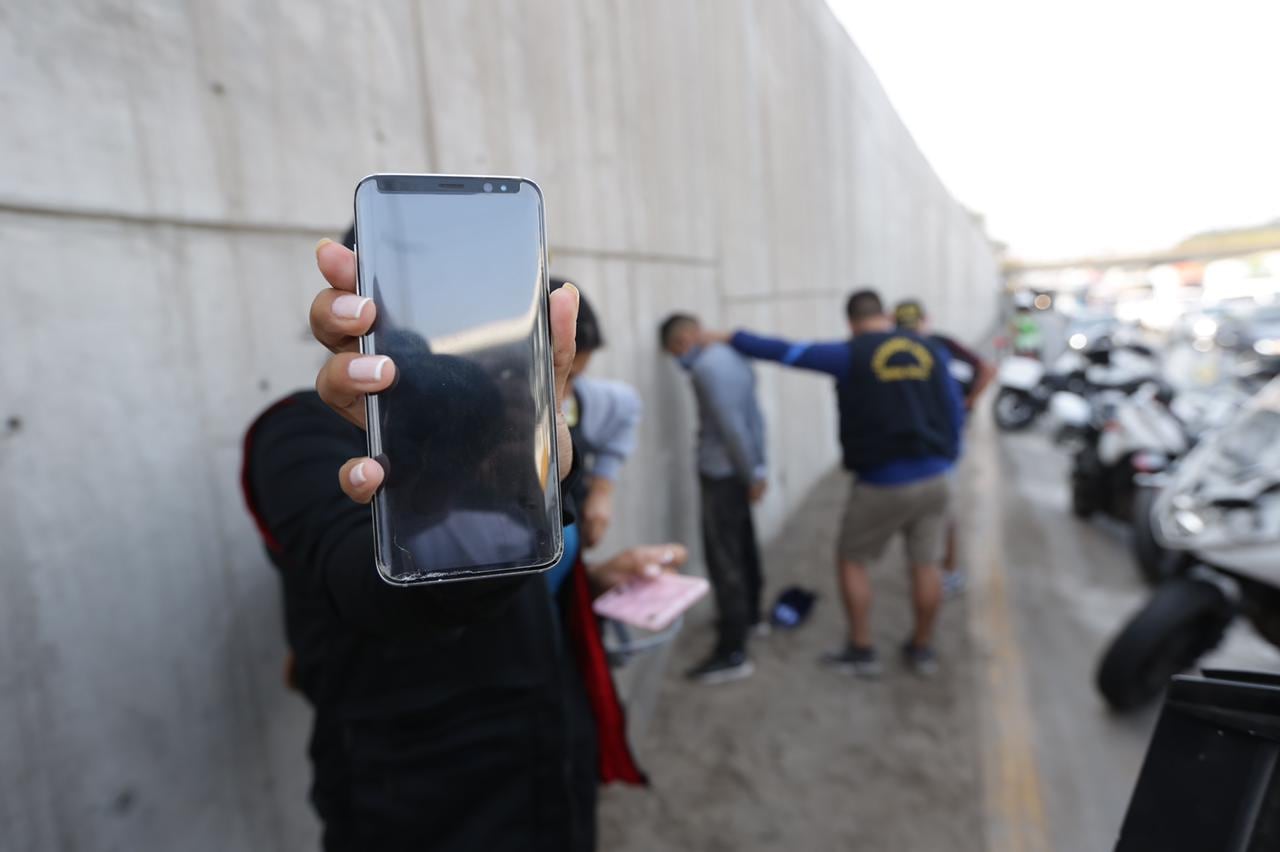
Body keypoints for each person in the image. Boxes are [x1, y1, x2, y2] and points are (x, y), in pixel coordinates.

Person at [242, 237, 688, 852]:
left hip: (552, 757)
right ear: (355, 303)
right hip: (419, 800)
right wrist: (441, 477)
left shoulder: (514, 424)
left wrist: (595, 577)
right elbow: (368, 589)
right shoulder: (297, 435)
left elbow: (525, 577)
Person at [710, 289, 964, 677]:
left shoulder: (850, 354)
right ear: (885, 315)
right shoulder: (930, 350)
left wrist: (732, 336)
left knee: (852, 560)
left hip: (881, 482)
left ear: (850, 322)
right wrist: (947, 460)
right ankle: (922, 649)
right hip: (935, 476)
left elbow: (786, 352)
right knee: (927, 564)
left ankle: (862, 649)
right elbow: (954, 408)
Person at [659, 313, 768, 684]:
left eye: (676, 349)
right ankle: (751, 618)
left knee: (724, 559)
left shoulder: (705, 369)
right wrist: (758, 467)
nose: (679, 358)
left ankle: (732, 651)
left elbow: (731, 426)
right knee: (744, 544)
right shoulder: (734, 355)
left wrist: (750, 473)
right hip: (742, 467)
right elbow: (754, 417)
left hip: (722, 473)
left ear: (686, 338)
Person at [894, 299, 995, 597]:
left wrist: (968, 402)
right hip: (942, 441)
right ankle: (942, 569)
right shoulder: (939, 345)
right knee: (939, 507)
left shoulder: (901, 350)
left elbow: (987, 369)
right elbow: (987, 369)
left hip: (928, 440)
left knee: (933, 508)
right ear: (925, 320)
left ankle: (938, 569)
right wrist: (968, 403)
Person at [551, 277, 643, 550]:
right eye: (557, 377)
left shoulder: (596, 402)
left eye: (573, 376)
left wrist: (602, 488)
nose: (565, 392)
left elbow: (628, 407)